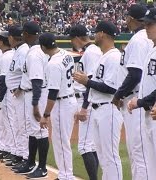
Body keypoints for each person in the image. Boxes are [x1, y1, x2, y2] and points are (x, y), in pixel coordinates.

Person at [74, 21, 123, 180]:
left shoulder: (114, 57)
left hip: (108, 109)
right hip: (98, 109)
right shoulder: (104, 56)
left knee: (110, 156)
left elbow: (111, 88)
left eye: (96, 32)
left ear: (102, 34)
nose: (93, 36)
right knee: (103, 156)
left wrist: (86, 82)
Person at [112, 4, 152, 180]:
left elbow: (135, 74)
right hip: (140, 98)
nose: (126, 19)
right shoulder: (144, 38)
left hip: (136, 100)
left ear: (132, 19)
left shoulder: (138, 39)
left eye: (128, 17)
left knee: (139, 153)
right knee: (141, 153)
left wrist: (118, 94)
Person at [13, 22, 50, 179]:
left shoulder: (34, 54)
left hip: (37, 94)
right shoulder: (33, 51)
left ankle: (42, 168)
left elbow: (37, 81)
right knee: (32, 130)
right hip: (31, 93)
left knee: (40, 131)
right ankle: (30, 162)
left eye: (23, 33)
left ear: (27, 34)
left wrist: (35, 105)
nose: (22, 36)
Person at [39, 32, 77, 180]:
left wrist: (46, 115)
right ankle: (64, 174)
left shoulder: (53, 64)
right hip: (69, 99)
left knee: (61, 141)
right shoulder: (65, 54)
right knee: (62, 140)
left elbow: (53, 93)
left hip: (62, 103)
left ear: (43, 47)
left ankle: (66, 176)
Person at [69, 24, 102, 180]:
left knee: (84, 146)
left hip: (87, 101)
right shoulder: (90, 51)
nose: (71, 43)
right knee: (91, 145)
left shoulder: (92, 52)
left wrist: (83, 107)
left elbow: (91, 81)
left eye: (71, 40)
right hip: (86, 100)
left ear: (76, 38)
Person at [127, 7, 156, 179]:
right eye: (145, 24)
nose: (146, 27)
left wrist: (141, 101)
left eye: (151, 24)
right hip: (149, 115)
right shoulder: (151, 49)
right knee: (151, 167)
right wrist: (141, 99)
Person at [2, 24, 30, 166]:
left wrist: (19, 87)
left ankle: (25, 157)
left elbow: (28, 72)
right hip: (17, 94)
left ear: (12, 37)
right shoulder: (18, 50)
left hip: (23, 94)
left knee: (23, 126)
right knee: (19, 125)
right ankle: (19, 154)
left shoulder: (24, 51)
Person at [0, 31, 16, 160]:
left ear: (2, 42)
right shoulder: (8, 55)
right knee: (7, 122)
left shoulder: (7, 57)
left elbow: (4, 79)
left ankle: (12, 150)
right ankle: (7, 148)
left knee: (10, 122)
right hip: (7, 92)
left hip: (7, 93)